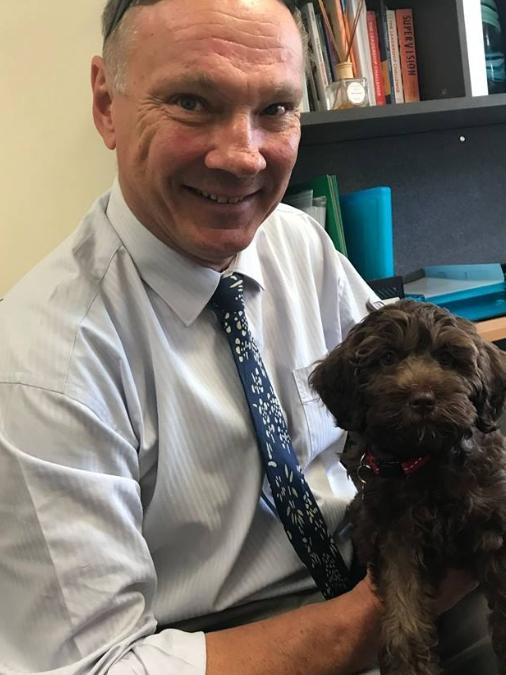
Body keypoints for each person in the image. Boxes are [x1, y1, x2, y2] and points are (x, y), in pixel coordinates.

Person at [0, 0, 495, 673]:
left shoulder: (296, 242)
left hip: (395, 562)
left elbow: (427, 391)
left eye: (276, 109)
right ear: (106, 104)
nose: (241, 155)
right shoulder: (42, 365)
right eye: (192, 101)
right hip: (234, 644)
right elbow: (96, 666)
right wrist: (386, 608)